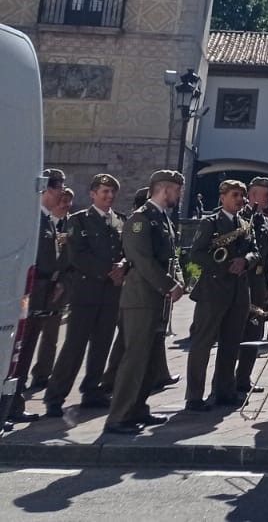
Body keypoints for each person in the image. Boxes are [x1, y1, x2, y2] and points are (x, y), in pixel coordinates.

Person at [105, 170, 187, 435]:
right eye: (177, 190)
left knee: (150, 359)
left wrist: (178, 280)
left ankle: (138, 409)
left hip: (156, 299)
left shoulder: (161, 219)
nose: (179, 195)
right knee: (135, 358)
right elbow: (142, 260)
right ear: (164, 189)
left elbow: (171, 257)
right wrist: (169, 285)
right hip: (141, 298)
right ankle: (118, 416)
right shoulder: (141, 219)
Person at [43, 173, 124, 416]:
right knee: (74, 346)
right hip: (86, 292)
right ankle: (55, 396)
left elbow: (125, 251)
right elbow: (76, 255)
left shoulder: (119, 220)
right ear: (93, 194)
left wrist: (123, 266)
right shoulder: (78, 221)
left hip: (110, 294)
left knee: (101, 345)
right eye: (104, 192)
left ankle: (92, 390)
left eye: (112, 193)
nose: (109, 196)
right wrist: (106, 271)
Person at [184, 179, 261, 411]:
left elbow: (256, 251)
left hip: (238, 293)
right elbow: (196, 254)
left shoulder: (246, 224)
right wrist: (226, 265)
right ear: (223, 197)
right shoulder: (210, 223)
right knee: (203, 343)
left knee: (231, 343)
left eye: (242, 195)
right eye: (235, 195)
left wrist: (245, 261)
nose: (240, 200)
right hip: (213, 291)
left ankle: (224, 390)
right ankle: (194, 396)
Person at [11, 169, 68, 421]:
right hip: (31, 294)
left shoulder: (48, 221)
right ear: (46, 190)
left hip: (42, 293)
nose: (62, 195)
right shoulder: (35, 219)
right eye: (58, 189)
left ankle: (14, 403)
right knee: (20, 351)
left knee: (27, 348)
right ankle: (11, 404)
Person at [233, 176, 268, 396]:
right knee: (235, 331)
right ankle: (225, 380)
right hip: (242, 281)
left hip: (259, 283)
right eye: (265, 194)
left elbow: (267, 255)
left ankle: (244, 378)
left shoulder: (266, 221)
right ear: (251, 195)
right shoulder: (239, 218)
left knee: (254, 330)